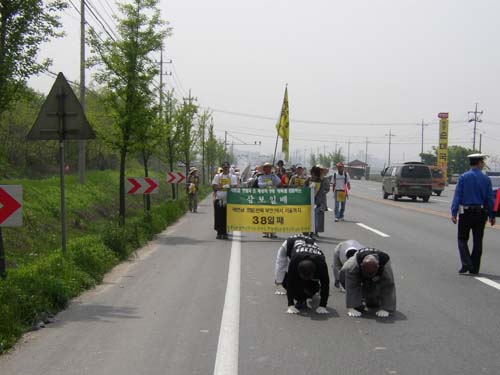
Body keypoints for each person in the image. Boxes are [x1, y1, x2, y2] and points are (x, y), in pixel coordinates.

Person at [451, 153, 496, 274]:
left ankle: (466, 263)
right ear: (479, 163)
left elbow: (458, 196)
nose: (483, 164)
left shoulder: (463, 177)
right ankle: (475, 268)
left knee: (462, 239)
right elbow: (490, 199)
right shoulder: (486, 179)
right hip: (481, 213)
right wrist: (492, 215)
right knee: (478, 241)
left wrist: (454, 212)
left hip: (466, 213)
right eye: (483, 162)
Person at [274, 238, 330, 314]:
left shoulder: (321, 263)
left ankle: (309, 293)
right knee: (286, 282)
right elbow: (290, 282)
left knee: (313, 287)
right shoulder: (294, 261)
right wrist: (290, 305)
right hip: (299, 259)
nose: (305, 279)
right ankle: (301, 299)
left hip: (314, 262)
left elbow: (325, 284)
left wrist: (322, 306)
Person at [340, 248, 396, 318]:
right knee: (345, 276)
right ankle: (357, 301)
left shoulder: (385, 264)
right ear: (361, 265)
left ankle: (368, 297)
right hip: (354, 269)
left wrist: (386, 308)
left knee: (372, 303)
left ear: (378, 266)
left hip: (376, 274)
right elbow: (350, 285)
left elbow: (388, 285)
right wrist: (351, 307)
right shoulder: (352, 265)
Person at [212, 162, 238, 240]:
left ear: (229, 168)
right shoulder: (218, 176)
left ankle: (225, 233)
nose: (225, 168)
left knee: (226, 217)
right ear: (222, 168)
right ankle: (219, 232)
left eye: (227, 167)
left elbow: (234, 186)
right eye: (224, 167)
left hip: (228, 200)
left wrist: (226, 187)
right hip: (219, 199)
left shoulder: (232, 177)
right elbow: (214, 186)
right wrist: (223, 187)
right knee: (218, 216)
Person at [258, 162, 281, 238]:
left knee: (273, 214)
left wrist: (274, 176)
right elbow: (260, 185)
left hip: (273, 197)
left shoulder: (273, 176)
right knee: (265, 214)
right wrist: (267, 184)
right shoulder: (261, 177)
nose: (268, 169)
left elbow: (279, 182)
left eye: (269, 167)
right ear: (264, 169)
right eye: (266, 167)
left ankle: (273, 231)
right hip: (264, 198)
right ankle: (266, 231)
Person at [310, 165, 329, 238]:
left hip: (320, 200)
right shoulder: (310, 179)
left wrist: (321, 192)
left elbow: (326, 189)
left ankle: (316, 231)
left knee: (319, 217)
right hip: (310, 200)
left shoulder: (324, 179)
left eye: (321, 170)